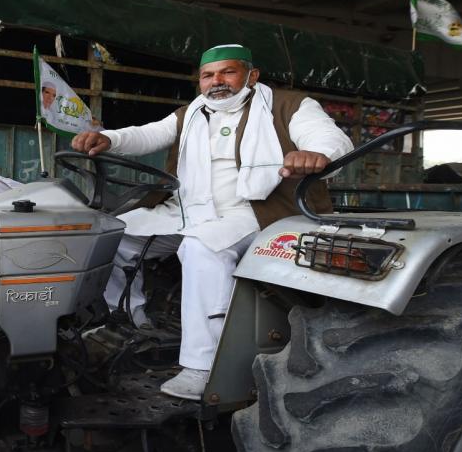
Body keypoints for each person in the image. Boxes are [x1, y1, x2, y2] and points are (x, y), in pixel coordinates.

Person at [71, 44, 352, 400]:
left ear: (252, 75)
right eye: (207, 75)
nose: (216, 81)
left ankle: (202, 367)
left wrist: (316, 153)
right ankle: (127, 318)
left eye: (227, 72)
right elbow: (148, 133)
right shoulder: (191, 112)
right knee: (114, 234)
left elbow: (330, 138)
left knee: (202, 247)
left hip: (255, 211)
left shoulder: (290, 104)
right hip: (189, 209)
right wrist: (109, 138)